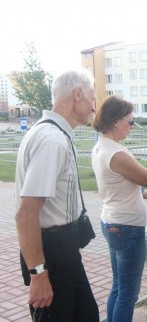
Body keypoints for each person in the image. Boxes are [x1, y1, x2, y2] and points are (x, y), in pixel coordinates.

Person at [15, 69, 99, 322]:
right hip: (51, 250)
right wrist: (39, 275)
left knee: (86, 314)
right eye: (92, 98)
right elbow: (25, 214)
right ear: (77, 95)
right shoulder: (52, 140)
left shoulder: (54, 134)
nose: (94, 107)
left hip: (64, 246)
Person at [91, 96, 147, 322]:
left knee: (118, 287)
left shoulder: (101, 147)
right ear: (115, 121)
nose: (132, 126)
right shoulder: (117, 154)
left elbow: (133, 189)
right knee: (129, 293)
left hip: (112, 222)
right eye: (130, 121)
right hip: (127, 228)